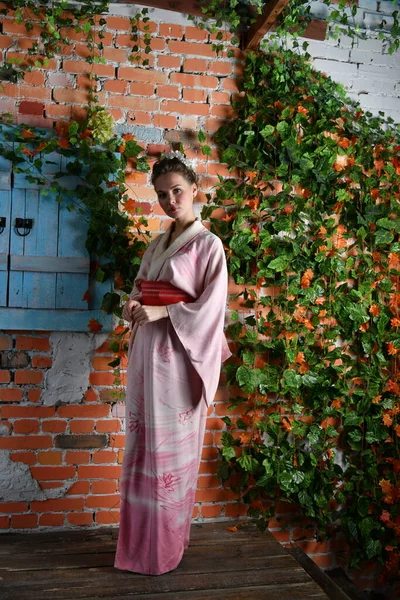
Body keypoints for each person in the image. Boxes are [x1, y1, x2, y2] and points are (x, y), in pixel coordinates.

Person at [114, 151, 231, 576]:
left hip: (179, 357)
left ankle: (163, 549)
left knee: (169, 457)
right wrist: (133, 304)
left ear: (195, 191)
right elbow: (141, 287)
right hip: (148, 353)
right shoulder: (157, 242)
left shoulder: (209, 244)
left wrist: (165, 312)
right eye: (162, 194)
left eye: (177, 191)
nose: (170, 201)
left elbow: (212, 309)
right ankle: (138, 547)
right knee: (142, 450)